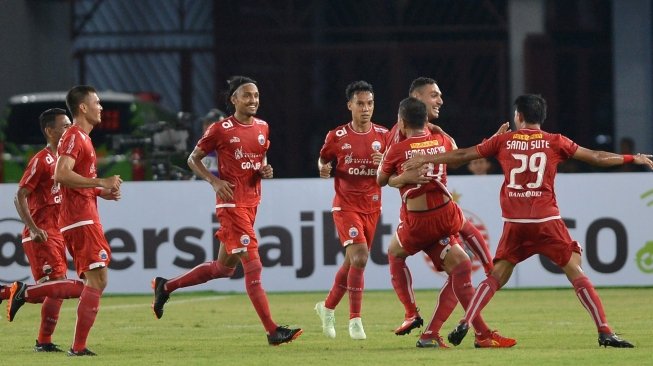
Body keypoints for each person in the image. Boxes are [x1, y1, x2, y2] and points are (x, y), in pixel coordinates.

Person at [404, 94, 653, 348]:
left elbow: (462, 155)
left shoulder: (504, 141)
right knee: (575, 268)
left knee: (497, 275)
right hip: (546, 220)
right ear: (540, 117)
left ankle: (467, 321)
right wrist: (633, 158)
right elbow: (597, 157)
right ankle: (604, 330)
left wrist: (427, 158)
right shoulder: (555, 141)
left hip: (515, 222)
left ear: (519, 116)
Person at [151, 76, 302, 346]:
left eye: (256, 95)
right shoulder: (220, 129)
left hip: (251, 203)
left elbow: (260, 156)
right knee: (253, 266)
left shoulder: (263, 127)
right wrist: (214, 180)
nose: (253, 100)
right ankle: (272, 331)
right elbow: (192, 159)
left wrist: (264, 169)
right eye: (246, 95)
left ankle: (166, 286)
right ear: (233, 99)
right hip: (231, 205)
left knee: (222, 269)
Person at [378, 97, 515, 349]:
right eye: (433, 95)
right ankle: (470, 327)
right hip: (443, 215)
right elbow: (464, 154)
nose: (438, 100)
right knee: (461, 264)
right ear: (425, 115)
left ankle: (411, 312)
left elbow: (381, 179)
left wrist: (402, 177)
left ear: (402, 120)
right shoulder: (442, 140)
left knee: (395, 253)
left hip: (418, 222)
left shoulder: (397, 147)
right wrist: (492, 140)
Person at [6, 108, 87, 353]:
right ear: (49, 131)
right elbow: (20, 195)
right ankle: (42, 339)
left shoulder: (66, 160)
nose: (68, 130)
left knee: (52, 291)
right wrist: (33, 227)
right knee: (59, 285)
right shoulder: (41, 160)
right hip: (42, 232)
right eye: (64, 126)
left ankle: (41, 337)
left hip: (57, 232)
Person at [314, 80, 389, 340]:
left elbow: (392, 174)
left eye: (369, 103)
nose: (365, 108)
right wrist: (322, 168)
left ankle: (327, 307)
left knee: (351, 262)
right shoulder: (337, 136)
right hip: (345, 205)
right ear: (350, 106)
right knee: (359, 258)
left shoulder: (384, 135)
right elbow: (323, 158)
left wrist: (383, 166)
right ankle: (355, 320)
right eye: (360, 104)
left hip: (372, 206)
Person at [51, 85, 123, 356]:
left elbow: (73, 180)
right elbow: (61, 174)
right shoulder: (73, 136)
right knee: (98, 280)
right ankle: (78, 347)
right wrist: (99, 180)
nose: (101, 107)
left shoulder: (83, 138)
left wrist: (99, 192)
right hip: (80, 219)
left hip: (83, 216)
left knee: (97, 279)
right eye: (97, 102)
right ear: (83, 107)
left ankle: (78, 346)